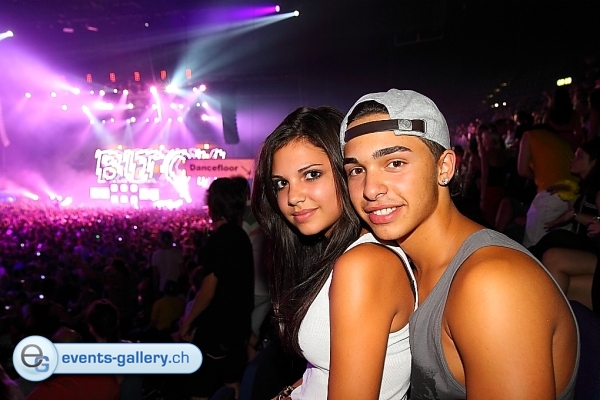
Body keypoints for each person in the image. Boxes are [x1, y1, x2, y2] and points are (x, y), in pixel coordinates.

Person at [339, 89, 579, 399]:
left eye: (395, 163)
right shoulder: (402, 263)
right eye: (356, 170)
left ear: (445, 167)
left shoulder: (493, 284)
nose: (370, 189)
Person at [252, 106, 416, 399]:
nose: (292, 197)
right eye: (281, 183)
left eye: (311, 174)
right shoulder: (339, 256)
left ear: (347, 172)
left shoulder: (364, 264)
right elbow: (324, 370)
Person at [180, 178, 255, 400]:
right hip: (237, 326)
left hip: (217, 327)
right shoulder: (241, 236)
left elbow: (208, 291)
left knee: (199, 389)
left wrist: (187, 323)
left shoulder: (218, 240)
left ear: (215, 205)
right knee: (232, 382)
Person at [529, 138, 600, 310]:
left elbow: (594, 220)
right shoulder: (585, 186)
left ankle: (524, 258)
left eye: (580, 156)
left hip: (593, 247)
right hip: (588, 247)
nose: (573, 160)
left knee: (558, 239)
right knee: (553, 253)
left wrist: (575, 215)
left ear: (594, 162)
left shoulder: (597, 190)